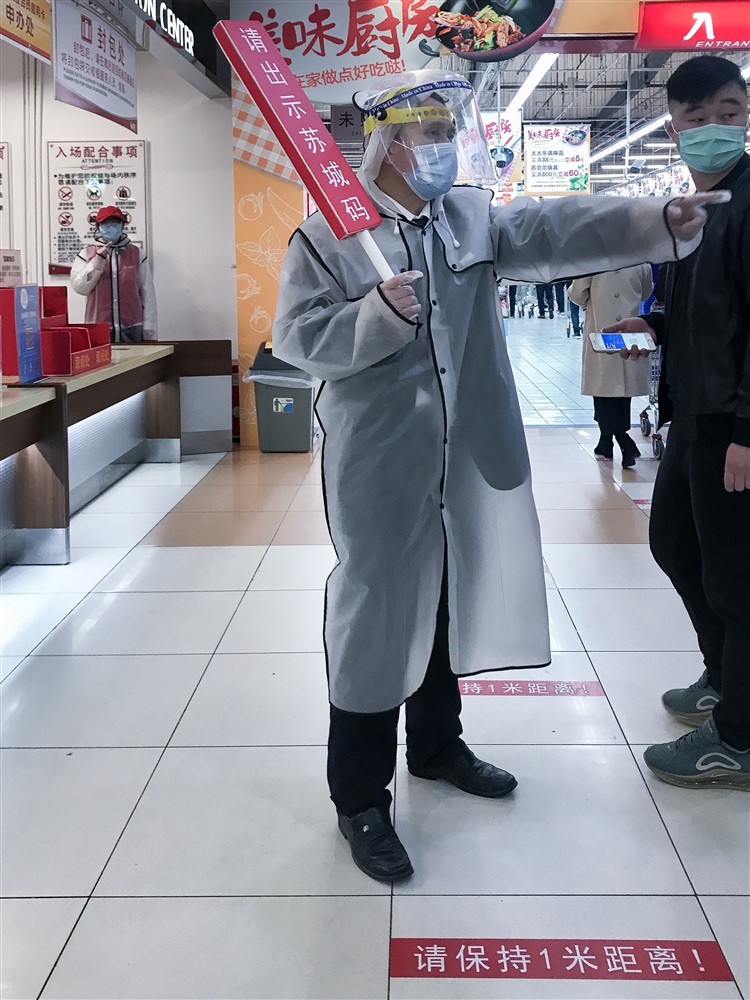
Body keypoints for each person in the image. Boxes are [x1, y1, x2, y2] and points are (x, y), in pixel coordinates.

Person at [272, 67, 726, 883]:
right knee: (379, 610)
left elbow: (552, 230)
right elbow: (299, 340)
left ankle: (437, 747)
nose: (445, 148)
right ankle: (359, 797)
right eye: (432, 133)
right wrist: (376, 315)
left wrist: (654, 219)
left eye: (452, 132)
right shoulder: (327, 237)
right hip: (381, 457)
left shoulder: (468, 219)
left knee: (447, 595)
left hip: (469, 451)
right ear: (390, 143)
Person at [606, 55, 750, 789]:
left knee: (737, 579)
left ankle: (738, 738)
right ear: (674, 128)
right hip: (693, 414)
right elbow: (715, 311)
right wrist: (655, 324)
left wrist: (748, 432)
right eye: (698, 117)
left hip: (733, 425)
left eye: (729, 112)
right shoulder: (700, 209)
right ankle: (723, 677)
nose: (715, 127)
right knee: (675, 546)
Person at [569, 264, 653, 467]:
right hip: (629, 333)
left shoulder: (593, 259)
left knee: (603, 388)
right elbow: (645, 292)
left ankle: (623, 440)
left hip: (601, 331)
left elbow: (577, 295)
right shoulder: (640, 260)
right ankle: (606, 441)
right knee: (622, 391)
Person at [71, 205, 157, 343]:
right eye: (106, 223)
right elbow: (80, 287)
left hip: (131, 328)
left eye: (115, 222)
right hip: (99, 328)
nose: (111, 227)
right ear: (98, 227)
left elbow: (148, 294)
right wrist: (98, 260)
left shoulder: (137, 254)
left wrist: (149, 330)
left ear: (123, 225)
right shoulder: (86, 254)